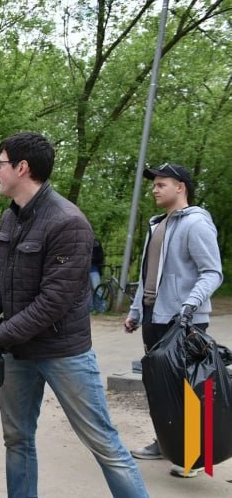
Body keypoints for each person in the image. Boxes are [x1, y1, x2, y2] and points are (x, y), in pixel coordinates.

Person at [0, 132, 148, 497]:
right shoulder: (9, 219)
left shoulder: (68, 222)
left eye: (0, 164)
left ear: (22, 167)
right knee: (17, 440)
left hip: (64, 353)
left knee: (104, 444)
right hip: (19, 353)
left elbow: (54, 302)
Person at [124, 162, 223, 478]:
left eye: (161, 183)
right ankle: (166, 443)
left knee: (192, 388)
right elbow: (147, 276)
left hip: (185, 320)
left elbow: (212, 272)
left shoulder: (196, 224)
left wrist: (190, 305)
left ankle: (195, 456)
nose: (155, 188)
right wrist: (136, 311)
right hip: (155, 316)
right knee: (160, 386)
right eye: (153, 184)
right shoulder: (158, 224)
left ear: (180, 187)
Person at [90, 238, 106, 312]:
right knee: (87, 291)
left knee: (98, 289)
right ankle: (91, 308)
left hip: (94, 270)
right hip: (85, 270)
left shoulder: (96, 243)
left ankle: (101, 308)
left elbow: (100, 257)